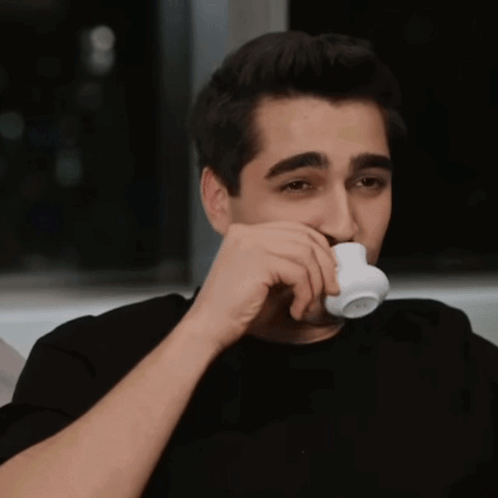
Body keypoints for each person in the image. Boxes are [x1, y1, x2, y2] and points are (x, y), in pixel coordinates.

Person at [0, 30, 497, 498]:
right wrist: (204, 331)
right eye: (299, 184)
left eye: (368, 182)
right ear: (218, 200)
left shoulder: (447, 354)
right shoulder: (93, 357)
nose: (345, 224)